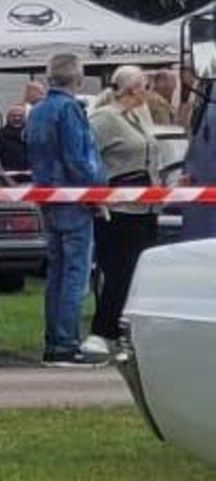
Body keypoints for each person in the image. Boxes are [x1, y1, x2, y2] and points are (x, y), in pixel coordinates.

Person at [25, 53, 110, 363]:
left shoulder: (37, 110)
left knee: (56, 273)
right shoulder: (70, 109)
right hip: (74, 198)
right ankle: (66, 343)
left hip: (48, 197)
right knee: (75, 274)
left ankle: (54, 340)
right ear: (78, 78)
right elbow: (79, 157)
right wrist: (96, 191)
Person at [89, 65, 165, 346]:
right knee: (119, 271)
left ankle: (125, 328)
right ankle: (104, 330)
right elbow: (89, 155)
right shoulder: (104, 119)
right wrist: (97, 195)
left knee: (139, 271)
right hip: (120, 208)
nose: (148, 92)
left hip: (146, 206)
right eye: (145, 86)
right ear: (133, 89)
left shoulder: (137, 115)